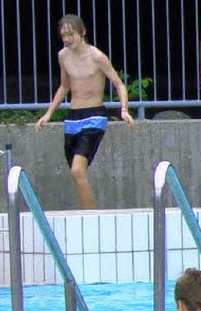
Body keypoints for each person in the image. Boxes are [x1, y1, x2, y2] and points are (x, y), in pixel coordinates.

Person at [35, 14, 134, 210]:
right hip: (73, 119)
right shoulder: (63, 56)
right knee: (78, 174)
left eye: (70, 34)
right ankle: (86, 213)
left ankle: (90, 217)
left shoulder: (97, 57)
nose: (66, 39)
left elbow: (118, 84)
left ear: (82, 33)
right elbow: (64, 86)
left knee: (77, 171)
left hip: (94, 117)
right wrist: (48, 113)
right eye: (63, 35)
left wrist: (124, 110)